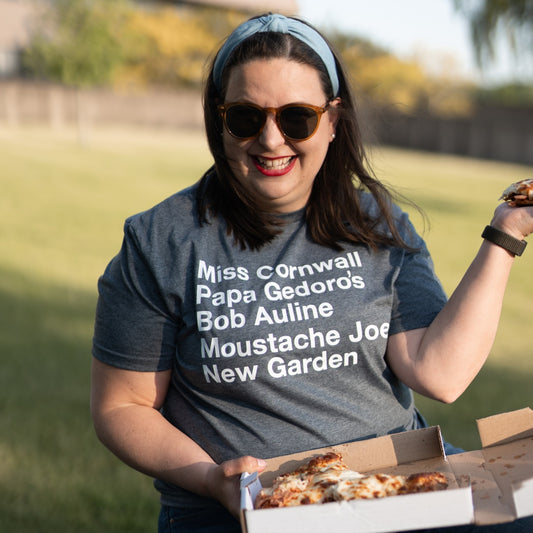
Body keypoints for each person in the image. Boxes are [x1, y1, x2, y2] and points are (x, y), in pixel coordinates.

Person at [90, 13, 533, 533]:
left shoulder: (377, 223)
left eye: (296, 117)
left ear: (332, 121)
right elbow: (123, 406)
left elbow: (439, 372)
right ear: (219, 120)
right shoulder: (161, 240)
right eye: (245, 118)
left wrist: (507, 234)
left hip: (393, 484)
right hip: (243, 509)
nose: (271, 140)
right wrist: (212, 478)